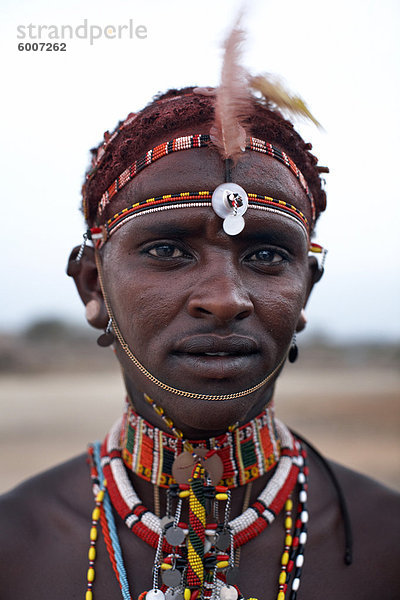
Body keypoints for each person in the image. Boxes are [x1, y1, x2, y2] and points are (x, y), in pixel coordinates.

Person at [0, 26, 399, 600]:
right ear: (93, 287)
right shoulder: (14, 546)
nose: (225, 298)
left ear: (305, 291)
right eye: (167, 249)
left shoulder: (388, 546)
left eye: (266, 255)